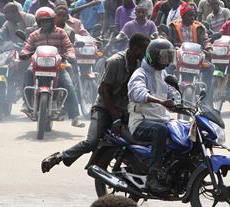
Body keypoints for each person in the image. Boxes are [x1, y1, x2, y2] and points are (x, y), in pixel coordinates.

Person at [40, 33, 150, 173]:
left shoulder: (141, 64)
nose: (146, 53)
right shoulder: (115, 62)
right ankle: (60, 157)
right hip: (104, 108)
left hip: (125, 110)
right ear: (135, 48)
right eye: (144, 49)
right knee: (91, 142)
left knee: (138, 140)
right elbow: (105, 92)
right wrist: (115, 118)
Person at [127, 39, 178, 194]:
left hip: (161, 118)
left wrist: (178, 101)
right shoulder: (140, 74)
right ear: (153, 56)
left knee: (182, 130)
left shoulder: (162, 73)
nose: (167, 61)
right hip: (140, 122)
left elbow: (172, 91)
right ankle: (152, 176)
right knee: (160, 130)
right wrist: (160, 101)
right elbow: (138, 92)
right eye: (164, 57)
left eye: (169, 56)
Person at [19, 7, 85, 127]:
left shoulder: (60, 32)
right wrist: (24, 53)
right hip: (37, 65)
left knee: (68, 85)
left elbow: (69, 46)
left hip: (57, 66)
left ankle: (75, 117)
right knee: (28, 74)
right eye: (42, 21)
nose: (45, 23)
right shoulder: (34, 34)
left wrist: (70, 55)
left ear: (52, 21)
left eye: (48, 21)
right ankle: (26, 102)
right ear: (38, 22)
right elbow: (27, 46)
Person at [167, 4, 215, 102]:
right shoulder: (173, 26)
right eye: (190, 15)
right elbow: (168, 40)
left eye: (193, 15)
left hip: (196, 58)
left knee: (210, 68)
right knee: (168, 67)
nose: (192, 18)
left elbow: (206, 40)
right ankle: (166, 92)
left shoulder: (200, 27)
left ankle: (207, 98)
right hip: (178, 56)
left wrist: (209, 48)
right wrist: (171, 47)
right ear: (183, 15)